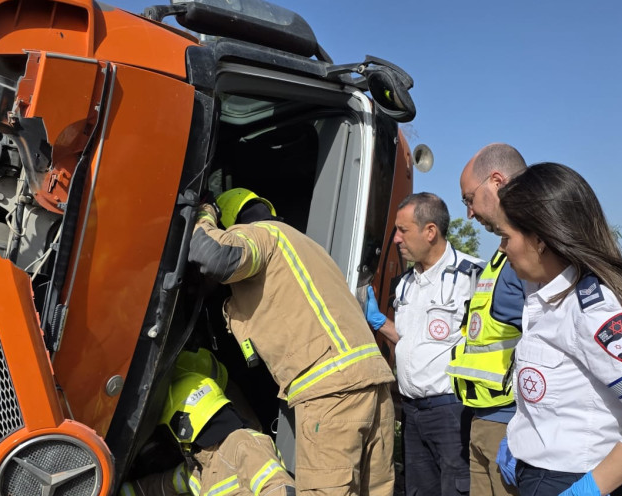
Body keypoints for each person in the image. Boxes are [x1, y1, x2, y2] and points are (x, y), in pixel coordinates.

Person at [493, 162, 622, 496]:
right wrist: (521, 438)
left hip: (572, 480)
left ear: (539, 239)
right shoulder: (546, 295)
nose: (501, 248)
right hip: (540, 475)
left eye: (506, 237)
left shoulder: (594, 309)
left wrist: (585, 491)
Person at [187, 187, 395, 496]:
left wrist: (203, 216)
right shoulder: (305, 246)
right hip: (375, 386)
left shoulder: (261, 235)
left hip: (332, 392)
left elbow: (214, 256)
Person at [364, 192, 481, 496]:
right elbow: (411, 340)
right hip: (412, 414)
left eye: (403, 231)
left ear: (430, 231)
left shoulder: (473, 276)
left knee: (457, 489)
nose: (397, 240)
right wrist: (379, 323)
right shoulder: (405, 283)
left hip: (452, 413)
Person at [447, 143, 526, 496]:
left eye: (469, 199)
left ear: (496, 181)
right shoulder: (500, 258)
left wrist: (525, 427)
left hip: (510, 426)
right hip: (484, 419)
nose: (469, 213)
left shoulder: (535, 254)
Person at [119, 372, 296, 496]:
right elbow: (156, 488)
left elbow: (280, 488)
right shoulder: (198, 470)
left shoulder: (241, 443)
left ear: (181, 427)